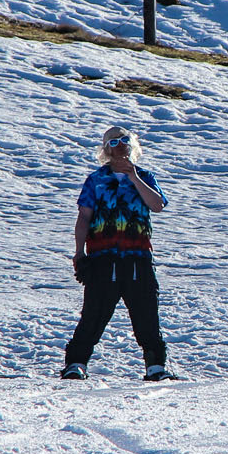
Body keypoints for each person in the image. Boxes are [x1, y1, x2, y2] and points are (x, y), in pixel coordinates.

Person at [61, 125, 173, 381]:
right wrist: (79, 252)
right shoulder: (96, 180)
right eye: (113, 142)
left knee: (146, 313)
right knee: (93, 313)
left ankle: (155, 366)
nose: (120, 145)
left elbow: (157, 205)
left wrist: (134, 177)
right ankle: (76, 363)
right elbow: (84, 217)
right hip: (103, 257)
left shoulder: (145, 176)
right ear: (106, 150)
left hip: (138, 257)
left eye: (124, 140)